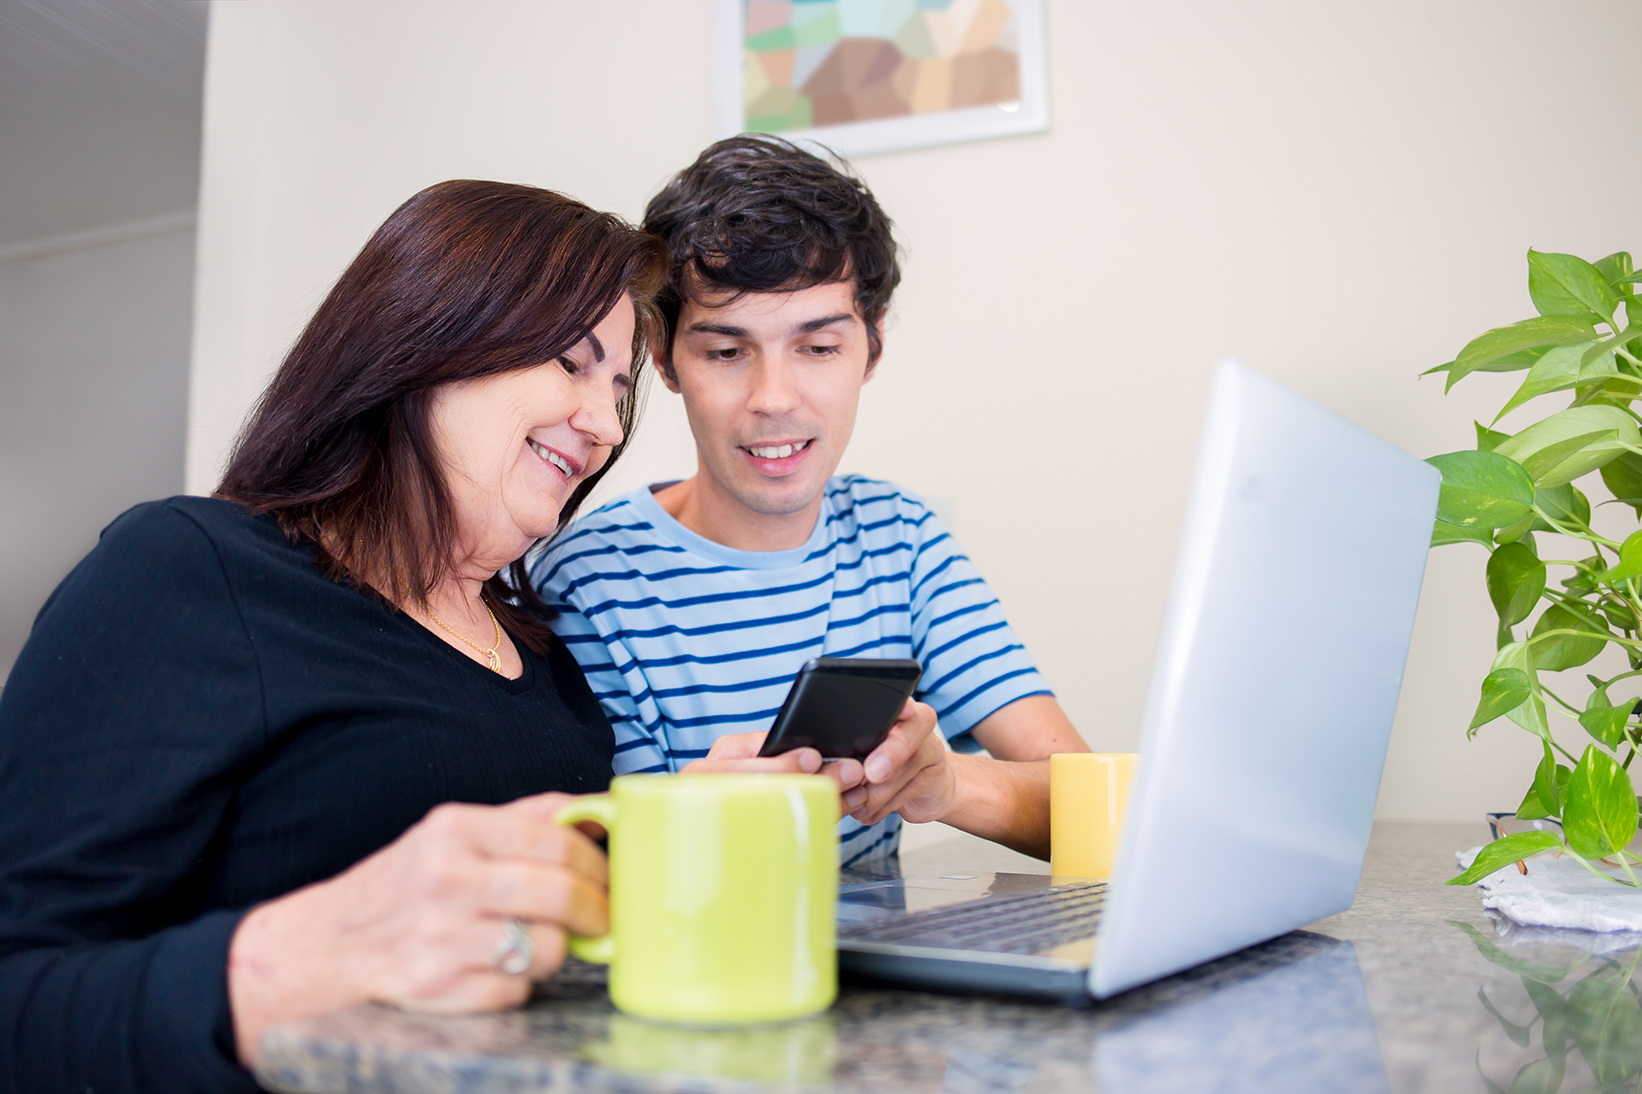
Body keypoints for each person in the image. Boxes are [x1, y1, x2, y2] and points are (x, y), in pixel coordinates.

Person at [0, 180, 666, 1093]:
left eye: (619, 390)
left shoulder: (545, 655)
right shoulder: (192, 569)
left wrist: (698, 822)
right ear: (430, 342)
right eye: (571, 364)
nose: (604, 425)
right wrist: (310, 955)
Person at [531, 137, 1087, 867]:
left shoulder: (900, 540)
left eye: (818, 348)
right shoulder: (587, 581)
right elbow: (586, 869)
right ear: (663, 358)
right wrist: (692, 824)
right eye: (726, 352)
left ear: (871, 348)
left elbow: (1090, 801)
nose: (774, 399)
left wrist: (947, 785)